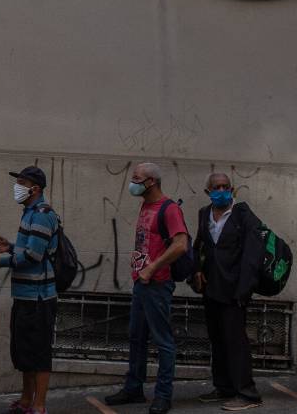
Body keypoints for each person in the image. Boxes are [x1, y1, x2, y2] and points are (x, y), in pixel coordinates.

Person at [104, 162, 188, 414]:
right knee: (136, 336)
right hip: (141, 282)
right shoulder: (146, 205)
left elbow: (181, 244)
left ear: (151, 182)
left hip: (157, 283)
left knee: (163, 341)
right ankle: (133, 388)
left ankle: (163, 396)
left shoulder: (169, 209)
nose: (132, 183)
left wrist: (152, 268)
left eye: (137, 178)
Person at [192, 173, 264, 411]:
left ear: (232, 190)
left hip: (234, 291)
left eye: (225, 187)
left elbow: (253, 255)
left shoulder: (243, 215)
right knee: (218, 340)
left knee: (236, 343)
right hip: (212, 289)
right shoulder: (204, 214)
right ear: (208, 191)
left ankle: (247, 393)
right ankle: (224, 387)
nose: (221, 191)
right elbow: (199, 246)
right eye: (216, 187)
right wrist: (197, 270)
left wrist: (244, 290)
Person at [0, 166, 59, 414]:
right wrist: (10, 247)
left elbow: (32, 256)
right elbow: (30, 248)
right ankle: (26, 400)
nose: (16, 187)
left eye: (21, 183)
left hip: (38, 297)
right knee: (25, 353)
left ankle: (39, 406)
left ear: (35, 189)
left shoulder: (42, 214)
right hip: (25, 295)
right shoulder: (29, 213)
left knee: (38, 353)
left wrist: (0, 261)